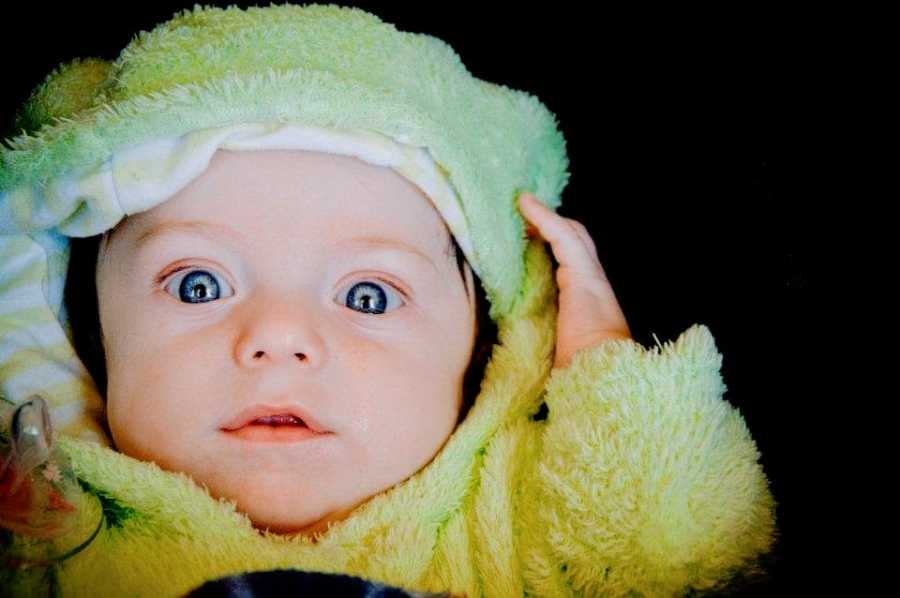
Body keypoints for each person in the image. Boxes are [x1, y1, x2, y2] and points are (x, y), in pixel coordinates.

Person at [0, 4, 778, 596]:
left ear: (485, 351)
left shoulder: (516, 522)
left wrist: (601, 375)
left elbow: (686, 548)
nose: (278, 336)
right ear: (87, 332)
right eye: (199, 284)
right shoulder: (43, 533)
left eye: (369, 296)